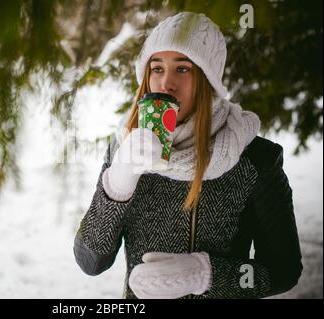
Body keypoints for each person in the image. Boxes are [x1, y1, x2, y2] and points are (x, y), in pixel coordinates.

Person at [73, 11, 302, 299]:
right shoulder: (125, 150)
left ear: (207, 80)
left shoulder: (255, 158)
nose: (166, 83)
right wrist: (117, 185)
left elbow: (284, 270)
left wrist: (204, 275)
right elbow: (91, 261)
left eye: (183, 69)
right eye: (157, 69)